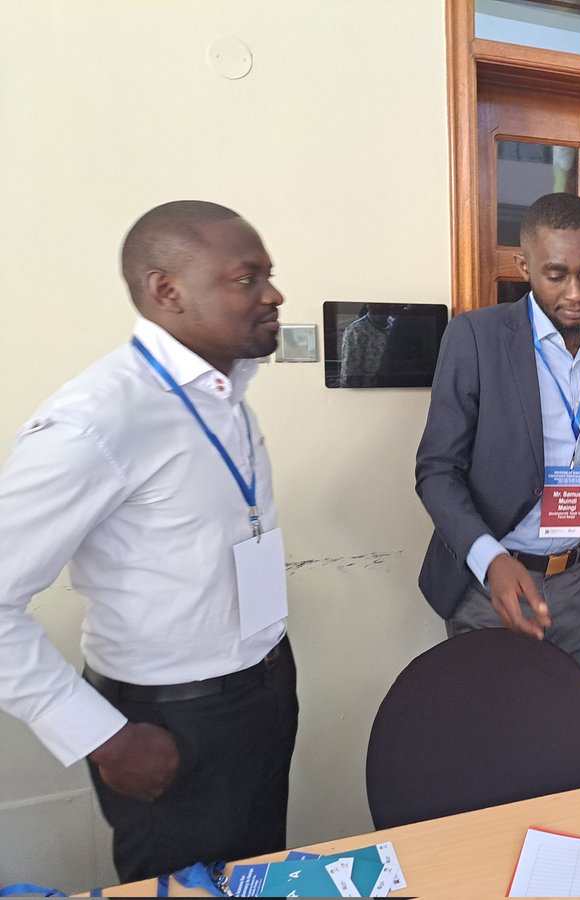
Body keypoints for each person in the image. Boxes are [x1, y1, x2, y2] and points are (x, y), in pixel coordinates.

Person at [0, 201, 297, 883]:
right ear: (167, 290)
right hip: (165, 729)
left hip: (264, 691)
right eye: (246, 278)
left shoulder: (225, 394)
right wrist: (104, 738)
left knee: (257, 877)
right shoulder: (97, 420)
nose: (273, 294)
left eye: (269, 276)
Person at [415, 192, 580, 671]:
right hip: (492, 585)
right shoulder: (475, 337)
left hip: (577, 580)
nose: (576, 293)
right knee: (491, 732)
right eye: (556, 274)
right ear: (524, 265)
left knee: (562, 725)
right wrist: (491, 560)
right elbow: (437, 471)